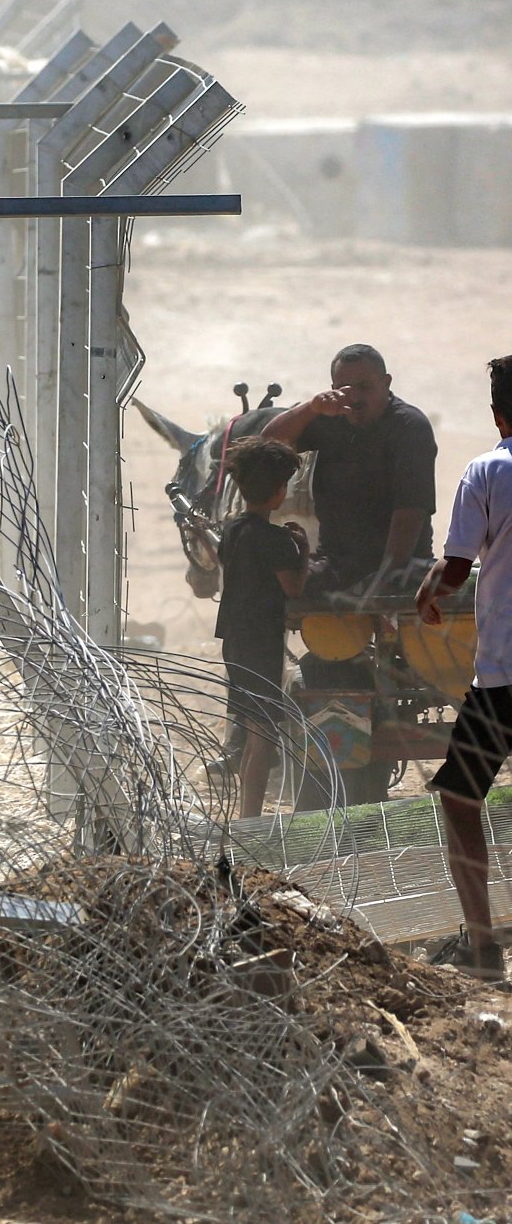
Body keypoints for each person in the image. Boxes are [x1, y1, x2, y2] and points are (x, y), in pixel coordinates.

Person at [414, 355, 512, 981]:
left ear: (498, 411)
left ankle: (483, 946)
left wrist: (428, 593)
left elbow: (455, 566)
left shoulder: (489, 470)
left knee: (459, 798)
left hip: (503, 679)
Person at [262, 344, 437, 594]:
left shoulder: (409, 428)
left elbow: (409, 514)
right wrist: (311, 408)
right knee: (267, 585)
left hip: (403, 567)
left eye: (364, 387)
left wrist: (381, 585)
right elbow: (267, 445)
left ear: (386, 383)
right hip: (336, 563)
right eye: (345, 389)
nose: (354, 397)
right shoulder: (331, 417)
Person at [216, 437, 310, 818]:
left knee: (253, 733)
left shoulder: (233, 528)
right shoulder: (276, 540)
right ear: (279, 491)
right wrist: (302, 551)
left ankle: (247, 815)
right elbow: (295, 588)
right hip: (261, 643)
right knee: (263, 737)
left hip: (236, 640)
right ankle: (250, 820)